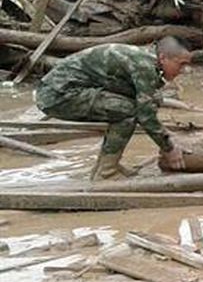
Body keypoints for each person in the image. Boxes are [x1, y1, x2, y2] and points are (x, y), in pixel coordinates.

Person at [35, 37, 192, 179]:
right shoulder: (144, 65)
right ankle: (107, 172)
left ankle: (105, 167)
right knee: (127, 112)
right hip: (58, 96)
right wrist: (169, 148)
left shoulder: (147, 58)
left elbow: (147, 99)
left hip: (64, 90)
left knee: (135, 105)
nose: (185, 70)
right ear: (163, 58)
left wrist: (165, 135)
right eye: (181, 64)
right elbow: (145, 115)